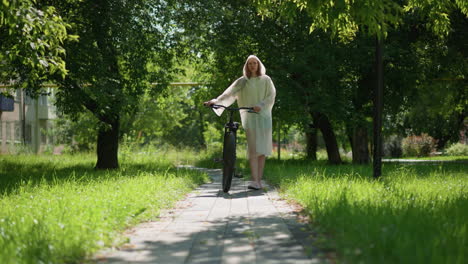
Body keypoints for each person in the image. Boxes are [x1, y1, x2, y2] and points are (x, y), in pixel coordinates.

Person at [204, 55, 276, 190]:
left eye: (255, 63)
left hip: (264, 117)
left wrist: (260, 105)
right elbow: (229, 93)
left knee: (262, 150)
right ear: (247, 66)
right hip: (250, 117)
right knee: (254, 149)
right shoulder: (243, 81)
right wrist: (216, 101)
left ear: (258, 65)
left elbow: (271, 96)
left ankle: (259, 181)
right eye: (250, 64)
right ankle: (255, 180)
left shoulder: (266, 80)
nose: (252, 66)